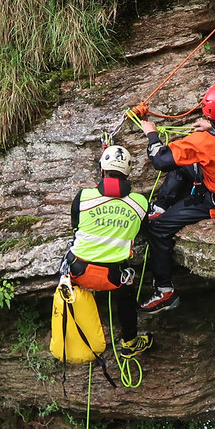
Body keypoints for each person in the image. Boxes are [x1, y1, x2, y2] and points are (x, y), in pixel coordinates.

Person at [131, 85, 215, 313]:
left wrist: (150, 133)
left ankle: (165, 292)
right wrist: (213, 127)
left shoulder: (200, 143)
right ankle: (161, 206)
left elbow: (160, 161)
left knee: (157, 230)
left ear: (207, 113)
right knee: (185, 164)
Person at [65, 144, 150, 358]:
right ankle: (130, 342)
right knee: (127, 290)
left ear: (102, 170)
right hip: (112, 278)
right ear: (129, 171)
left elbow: (75, 227)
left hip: (78, 272)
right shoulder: (140, 203)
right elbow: (143, 230)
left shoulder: (83, 196)